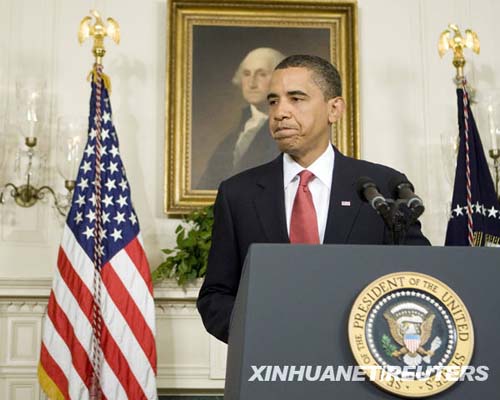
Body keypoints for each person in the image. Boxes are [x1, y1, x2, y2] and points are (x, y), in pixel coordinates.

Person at [197, 55, 430, 343]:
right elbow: (215, 296)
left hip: (361, 360)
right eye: (273, 101)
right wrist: (260, 333)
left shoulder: (382, 188)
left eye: (296, 99)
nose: (280, 112)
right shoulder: (238, 194)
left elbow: (420, 279)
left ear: (334, 109)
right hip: (271, 360)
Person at [197, 47, 286, 189]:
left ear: (280, 79)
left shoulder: (289, 131)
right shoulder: (232, 138)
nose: (252, 83)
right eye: (246, 74)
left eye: (262, 74)